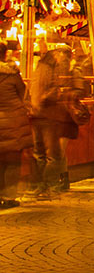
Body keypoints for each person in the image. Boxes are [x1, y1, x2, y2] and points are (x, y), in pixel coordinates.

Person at [29, 47, 72, 199]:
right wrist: (57, 93)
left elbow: (33, 92)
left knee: (39, 153)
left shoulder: (39, 68)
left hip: (36, 115)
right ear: (55, 56)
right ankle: (48, 186)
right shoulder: (49, 70)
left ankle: (38, 185)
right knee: (53, 154)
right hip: (47, 115)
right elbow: (48, 92)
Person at [0, 42, 33, 210]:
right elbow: (25, 96)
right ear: (5, 55)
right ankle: (8, 197)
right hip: (13, 123)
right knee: (12, 162)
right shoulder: (12, 75)